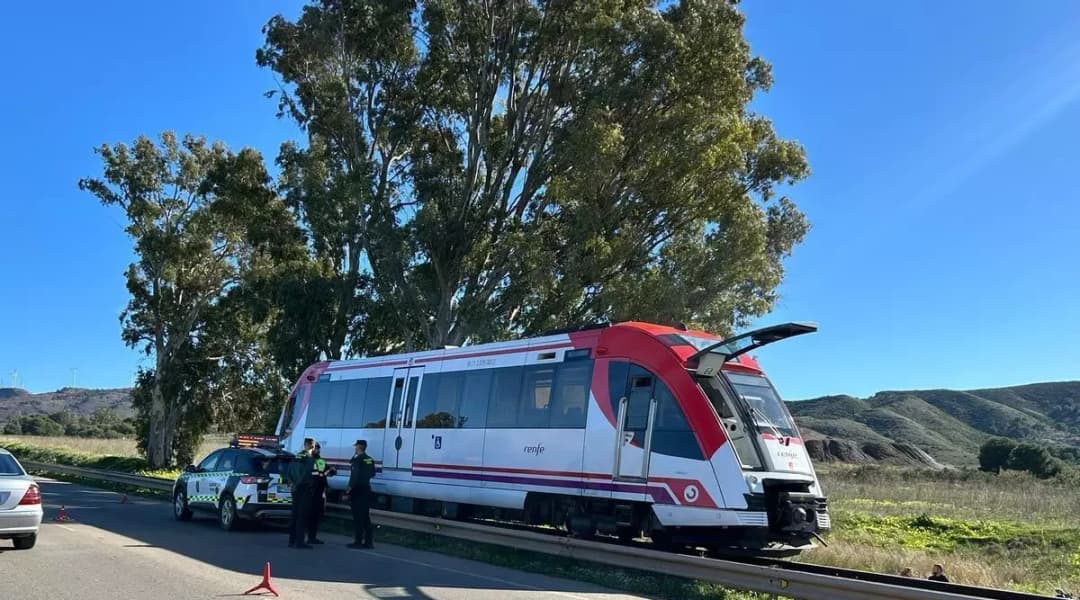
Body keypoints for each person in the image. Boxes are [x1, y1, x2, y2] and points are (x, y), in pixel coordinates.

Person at [346, 439, 376, 549]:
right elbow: (372, 474)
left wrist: (348, 489)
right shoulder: (370, 460)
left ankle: (358, 541)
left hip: (357, 490)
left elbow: (354, 476)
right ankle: (369, 542)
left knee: (358, 517)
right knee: (365, 517)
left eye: (356, 446)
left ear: (359, 447)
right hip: (366, 489)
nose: (355, 448)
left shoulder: (358, 460)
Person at [287, 438, 316, 549]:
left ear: (304, 445)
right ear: (312, 446)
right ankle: (300, 542)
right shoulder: (309, 458)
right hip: (303, 488)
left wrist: (291, 483)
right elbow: (305, 473)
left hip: (294, 488)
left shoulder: (297, 456)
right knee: (302, 516)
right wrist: (297, 484)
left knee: (294, 514)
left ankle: (291, 541)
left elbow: (289, 471)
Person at [307, 442, 336, 545]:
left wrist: (331, 470)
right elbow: (325, 474)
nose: (318, 450)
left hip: (315, 492)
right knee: (310, 516)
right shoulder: (310, 460)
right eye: (316, 448)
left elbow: (327, 473)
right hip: (312, 492)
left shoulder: (318, 461)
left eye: (318, 448)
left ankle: (311, 537)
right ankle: (307, 538)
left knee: (314, 516)